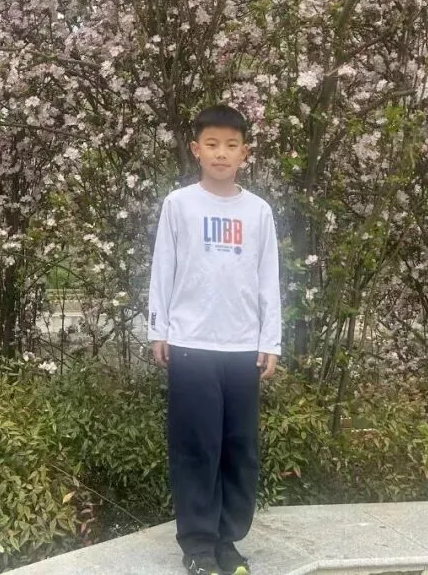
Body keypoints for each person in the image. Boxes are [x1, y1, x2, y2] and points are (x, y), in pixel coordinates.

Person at [147, 105, 281, 575]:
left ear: (245, 152)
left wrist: (270, 340)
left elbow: (268, 278)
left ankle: (228, 541)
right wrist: (159, 328)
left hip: (242, 348)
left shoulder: (258, 211)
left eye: (230, 145)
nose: (221, 153)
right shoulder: (179, 204)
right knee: (196, 447)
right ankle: (199, 545)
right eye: (211, 144)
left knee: (239, 448)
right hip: (191, 345)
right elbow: (163, 267)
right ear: (196, 150)